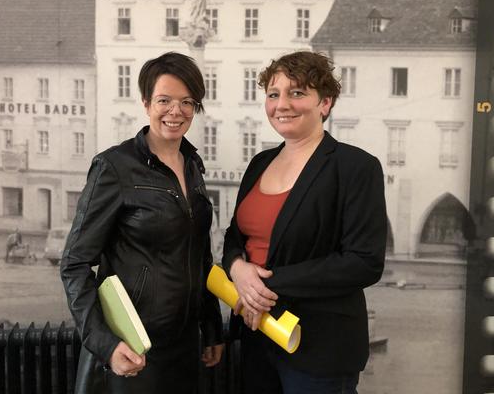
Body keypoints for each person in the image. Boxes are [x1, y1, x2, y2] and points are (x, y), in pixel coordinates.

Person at [221, 51, 387, 394]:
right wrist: (237, 268)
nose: (282, 104)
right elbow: (235, 236)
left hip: (319, 345)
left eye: (297, 93)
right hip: (256, 336)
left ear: (325, 103)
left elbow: (363, 263)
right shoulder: (259, 163)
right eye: (273, 94)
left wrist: (263, 286)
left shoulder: (356, 167)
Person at [61, 52, 224, 394]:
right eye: (164, 100)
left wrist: (210, 327)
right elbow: (74, 264)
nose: (175, 111)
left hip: (185, 344)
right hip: (133, 346)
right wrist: (105, 343)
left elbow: (199, 256)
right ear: (146, 103)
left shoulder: (193, 165)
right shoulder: (114, 167)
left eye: (187, 102)